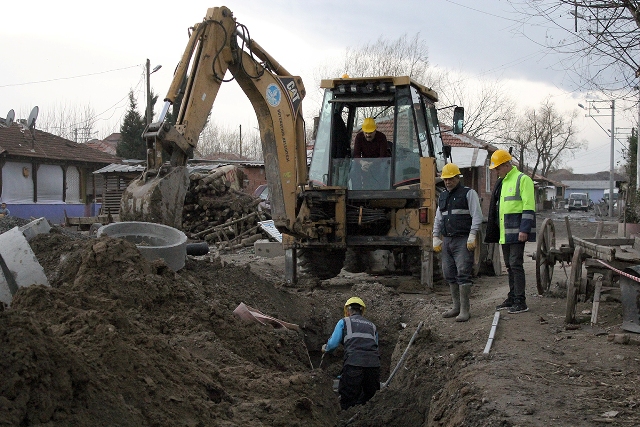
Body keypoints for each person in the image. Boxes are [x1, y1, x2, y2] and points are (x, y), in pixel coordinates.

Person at [484, 149, 536, 314]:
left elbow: (529, 206)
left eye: (498, 168)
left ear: (507, 165)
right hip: (505, 233)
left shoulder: (523, 179)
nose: (496, 172)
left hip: (517, 232)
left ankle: (520, 301)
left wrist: (524, 229)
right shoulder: (503, 181)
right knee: (509, 265)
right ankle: (513, 296)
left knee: (515, 264)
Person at [432, 163, 483, 322]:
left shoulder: (469, 193)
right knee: (448, 273)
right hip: (447, 240)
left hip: (462, 239)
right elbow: (438, 218)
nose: (448, 182)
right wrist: (435, 236)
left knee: (463, 272)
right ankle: (456, 306)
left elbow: (477, 216)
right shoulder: (443, 196)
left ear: (457, 177)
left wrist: (472, 235)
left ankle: (464, 310)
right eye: (445, 180)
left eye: (451, 179)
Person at [322, 297, 380, 410]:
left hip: (354, 363)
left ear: (347, 311)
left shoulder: (344, 321)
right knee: (370, 400)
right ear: (362, 311)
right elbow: (375, 346)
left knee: (348, 400)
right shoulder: (372, 326)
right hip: (374, 365)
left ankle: (347, 419)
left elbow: (333, 344)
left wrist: (326, 348)